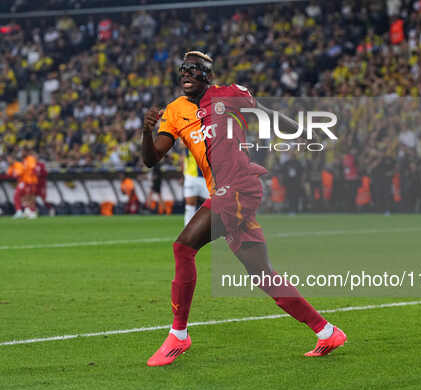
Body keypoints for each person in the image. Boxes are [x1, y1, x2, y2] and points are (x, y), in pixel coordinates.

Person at [141, 51, 346, 367]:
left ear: (207, 74)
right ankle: (326, 331)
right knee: (263, 275)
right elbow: (152, 158)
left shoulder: (230, 95)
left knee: (183, 247)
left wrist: (305, 133)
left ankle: (178, 336)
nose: (187, 74)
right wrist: (146, 131)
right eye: (183, 69)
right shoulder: (175, 111)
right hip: (221, 192)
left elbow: (269, 115)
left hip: (239, 187)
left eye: (194, 69)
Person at [182, 149, 210, 225]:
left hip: (207, 176)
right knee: (190, 204)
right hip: (190, 176)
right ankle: (187, 230)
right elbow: (182, 144)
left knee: (214, 205)